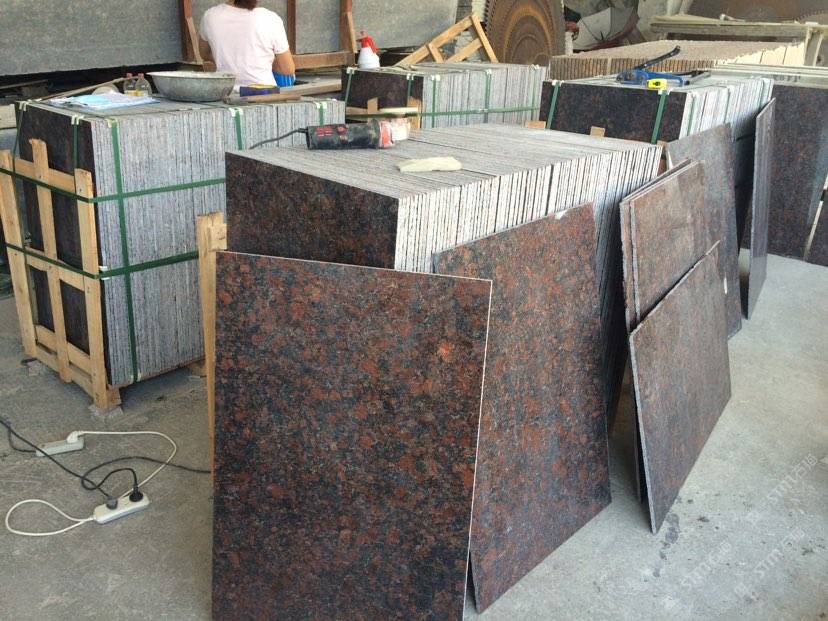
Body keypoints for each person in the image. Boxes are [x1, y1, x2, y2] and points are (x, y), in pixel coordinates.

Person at [199, 0, 296, 88]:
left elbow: (204, 54)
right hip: (264, 94)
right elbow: (287, 69)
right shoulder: (270, 19)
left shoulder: (210, 16)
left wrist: (227, 61)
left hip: (225, 93)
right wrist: (266, 62)